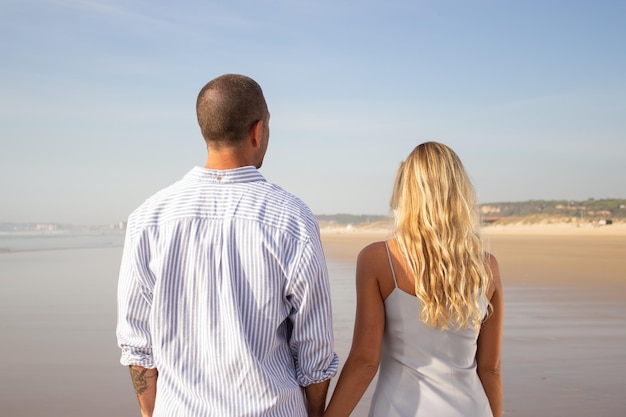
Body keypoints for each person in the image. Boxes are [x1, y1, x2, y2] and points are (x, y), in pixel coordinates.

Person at [116, 74, 338, 417]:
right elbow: (315, 348)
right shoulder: (293, 219)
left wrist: (151, 413)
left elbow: (138, 348)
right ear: (258, 131)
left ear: (205, 131)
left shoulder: (147, 219)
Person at [324, 142, 503, 417]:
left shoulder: (379, 259)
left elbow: (365, 363)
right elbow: (490, 368)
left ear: (407, 192)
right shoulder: (487, 266)